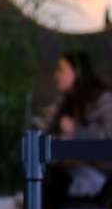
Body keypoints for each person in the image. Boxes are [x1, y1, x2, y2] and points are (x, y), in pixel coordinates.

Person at [48, 51, 112, 198]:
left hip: (99, 175)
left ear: (77, 72)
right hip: (69, 170)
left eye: (61, 69)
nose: (56, 76)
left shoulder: (103, 99)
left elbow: (110, 137)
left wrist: (76, 131)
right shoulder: (65, 102)